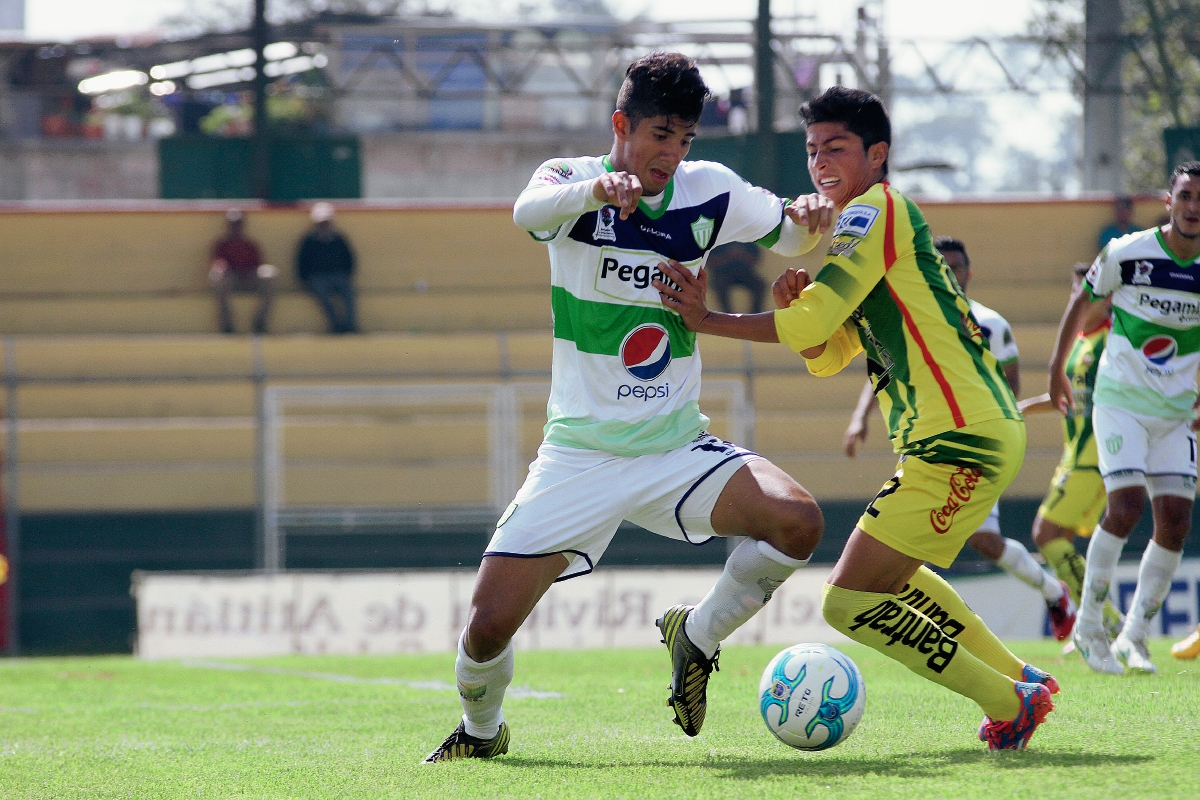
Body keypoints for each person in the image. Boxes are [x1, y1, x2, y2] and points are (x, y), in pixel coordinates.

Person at [423, 52, 834, 764]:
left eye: (684, 140)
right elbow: (526, 212)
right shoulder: (567, 181)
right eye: (660, 136)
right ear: (622, 125)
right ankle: (482, 733)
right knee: (486, 630)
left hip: (674, 448)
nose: (672, 155)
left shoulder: (710, 192)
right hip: (580, 456)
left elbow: (793, 235)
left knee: (797, 521)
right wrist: (592, 190)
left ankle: (697, 637)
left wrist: (813, 215)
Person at [657, 86, 1057, 751]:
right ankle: (1022, 679)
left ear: (878, 154)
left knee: (846, 603)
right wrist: (807, 304)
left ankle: (1008, 702)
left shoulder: (875, 211)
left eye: (835, 147)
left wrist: (707, 320)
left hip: (958, 442)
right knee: (890, 580)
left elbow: (812, 325)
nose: (820, 163)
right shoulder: (863, 224)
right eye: (812, 150)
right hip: (961, 438)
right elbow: (829, 350)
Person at [842, 236, 1076, 640]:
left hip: (974, 446)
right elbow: (884, 364)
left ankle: (1045, 601)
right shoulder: (911, 316)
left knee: (969, 540)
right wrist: (860, 417)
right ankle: (1049, 597)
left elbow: (1010, 387)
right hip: (924, 441)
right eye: (942, 264)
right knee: (945, 543)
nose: (949, 272)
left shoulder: (990, 324)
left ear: (969, 273)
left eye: (957, 266)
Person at [1049, 161, 1200, 675]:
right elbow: (1082, 301)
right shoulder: (1128, 252)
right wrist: (1056, 368)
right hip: (1121, 402)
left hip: (1177, 414)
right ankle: (1090, 625)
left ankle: (1134, 635)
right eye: (1186, 196)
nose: (1193, 207)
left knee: (1176, 522)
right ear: (1169, 201)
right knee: (1127, 504)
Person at [1019, 263, 1123, 642]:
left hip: (1095, 457)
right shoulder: (1078, 342)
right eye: (1073, 291)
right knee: (1061, 538)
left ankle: (1106, 620)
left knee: (1044, 533)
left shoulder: (1113, 341)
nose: (1077, 300)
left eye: (1086, 292)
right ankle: (1096, 627)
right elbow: (1065, 398)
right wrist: (1024, 407)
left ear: (1108, 297)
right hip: (1073, 454)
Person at [209, 209, 276, 334]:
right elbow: (218, 264)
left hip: (249, 279)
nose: (236, 227)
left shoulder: (250, 244)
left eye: (238, 223)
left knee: (269, 273)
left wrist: (247, 274)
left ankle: (260, 322)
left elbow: (258, 265)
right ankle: (227, 324)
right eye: (233, 224)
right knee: (216, 276)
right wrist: (223, 269)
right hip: (231, 281)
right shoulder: (222, 245)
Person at [296, 202, 359, 334]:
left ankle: (350, 325)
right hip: (317, 278)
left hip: (339, 275)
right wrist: (305, 279)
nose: (324, 225)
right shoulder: (309, 241)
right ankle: (336, 326)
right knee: (324, 297)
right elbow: (302, 263)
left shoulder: (338, 239)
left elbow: (349, 259)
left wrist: (347, 274)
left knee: (349, 293)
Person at [706, 241, 767, 313]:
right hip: (722, 274)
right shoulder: (718, 238)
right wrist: (728, 256)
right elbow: (709, 259)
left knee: (760, 285)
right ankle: (726, 315)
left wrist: (742, 255)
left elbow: (756, 258)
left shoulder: (747, 237)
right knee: (719, 284)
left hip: (745, 273)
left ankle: (755, 315)